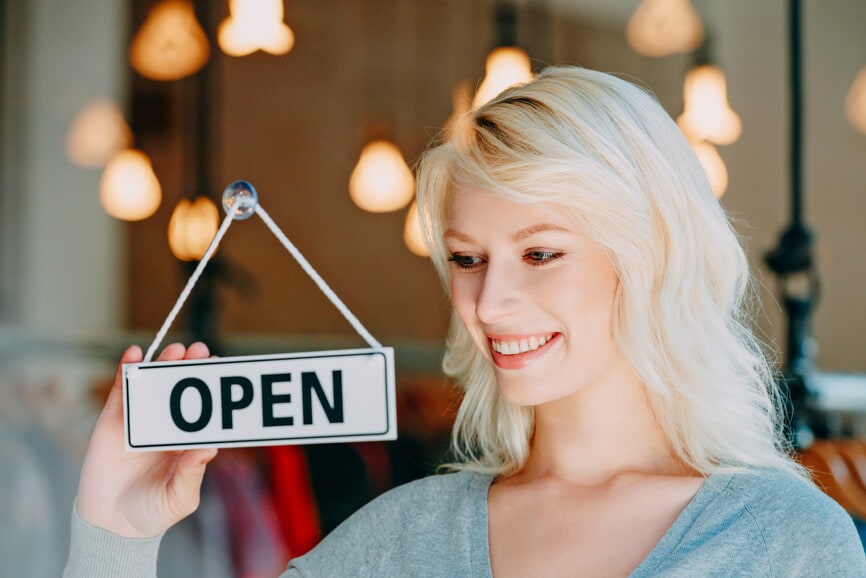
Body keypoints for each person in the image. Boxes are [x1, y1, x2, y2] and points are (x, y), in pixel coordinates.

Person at [64, 66, 865, 577]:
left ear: (653, 256)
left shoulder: (786, 545)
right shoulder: (402, 543)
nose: (490, 303)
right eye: (467, 258)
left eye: (542, 254)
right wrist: (113, 537)